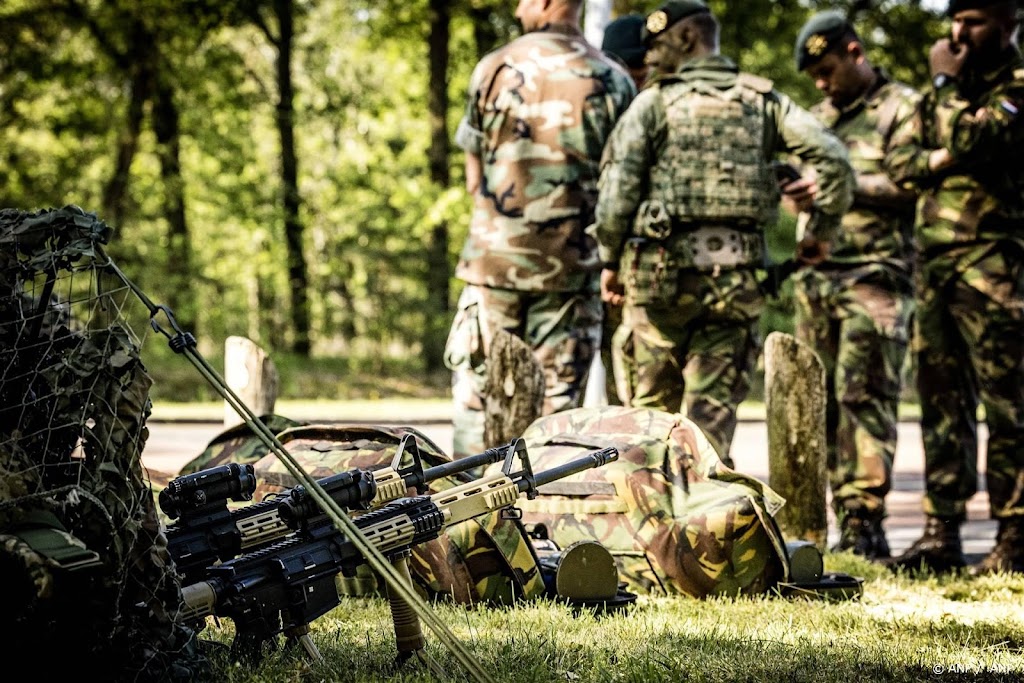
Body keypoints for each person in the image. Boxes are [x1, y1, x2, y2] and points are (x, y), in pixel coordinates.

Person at [592, 0, 854, 466]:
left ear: (688, 39)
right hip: (734, 291)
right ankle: (708, 531)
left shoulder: (653, 103)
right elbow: (833, 159)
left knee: (648, 430)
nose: (650, 57)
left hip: (658, 289)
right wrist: (818, 234)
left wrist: (610, 263)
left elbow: (617, 194)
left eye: (658, 45)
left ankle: (648, 534)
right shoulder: (763, 102)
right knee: (708, 437)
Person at [444, 0, 637, 458]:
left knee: (479, 397)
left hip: (494, 265)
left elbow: (474, 175)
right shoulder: (614, 79)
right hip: (572, 267)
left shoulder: (493, 68)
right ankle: (537, 522)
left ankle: (459, 515)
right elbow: (623, 189)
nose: (516, 8)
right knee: (555, 410)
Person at [883, 0, 1024, 575]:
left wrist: (944, 86)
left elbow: (977, 141)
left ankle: (1016, 534)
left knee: (1008, 404)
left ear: (1009, 22)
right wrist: (948, 139)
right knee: (942, 402)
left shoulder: (1015, 83)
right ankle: (942, 532)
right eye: (956, 19)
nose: (958, 33)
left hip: (995, 265)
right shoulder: (943, 93)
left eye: (975, 21)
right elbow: (902, 166)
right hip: (936, 266)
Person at [789, 11, 921, 559]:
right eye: (814, 76)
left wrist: (840, 184)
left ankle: (864, 520)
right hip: (816, 278)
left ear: (854, 52)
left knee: (864, 396)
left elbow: (912, 183)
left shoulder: (900, 107)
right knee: (813, 404)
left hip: (876, 274)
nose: (822, 83)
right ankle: (813, 522)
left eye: (827, 69)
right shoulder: (816, 119)